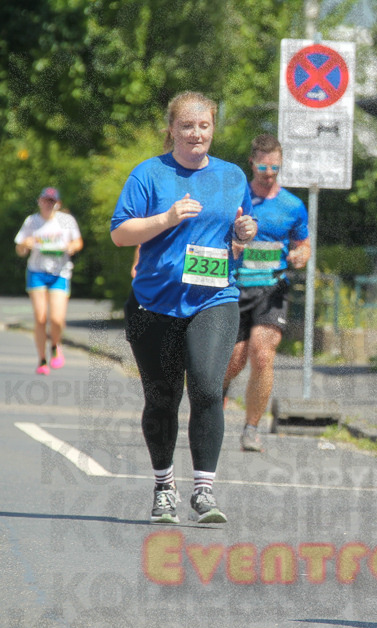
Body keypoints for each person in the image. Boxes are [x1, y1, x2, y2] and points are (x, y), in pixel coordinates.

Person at [110, 91, 258, 525]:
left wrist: (244, 232)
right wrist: (167, 218)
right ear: (172, 129)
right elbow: (120, 233)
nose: (196, 133)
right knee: (162, 399)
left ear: (213, 129)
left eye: (204, 126)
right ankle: (164, 487)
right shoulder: (149, 174)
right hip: (154, 303)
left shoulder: (232, 176)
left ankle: (204, 491)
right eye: (188, 126)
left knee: (208, 388)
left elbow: (239, 234)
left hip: (215, 297)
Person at [222, 134, 310, 452]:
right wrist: (233, 247)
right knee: (234, 360)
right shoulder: (236, 197)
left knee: (262, 354)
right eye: (263, 167)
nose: (269, 173)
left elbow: (303, 245)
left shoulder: (293, 206)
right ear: (252, 163)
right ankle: (218, 394)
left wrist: (300, 256)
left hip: (272, 288)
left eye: (275, 167)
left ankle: (251, 428)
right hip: (235, 287)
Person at [14, 187, 83, 375]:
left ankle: (55, 345)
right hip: (37, 271)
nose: (48, 204)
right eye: (45, 200)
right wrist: (25, 245)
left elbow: (78, 242)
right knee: (40, 317)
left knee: (57, 319)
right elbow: (20, 249)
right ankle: (42, 359)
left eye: (52, 201)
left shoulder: (66, 221)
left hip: (60, 272)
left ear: (58, 204)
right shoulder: (32, 221)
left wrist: (71, 247)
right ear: (39, 201)